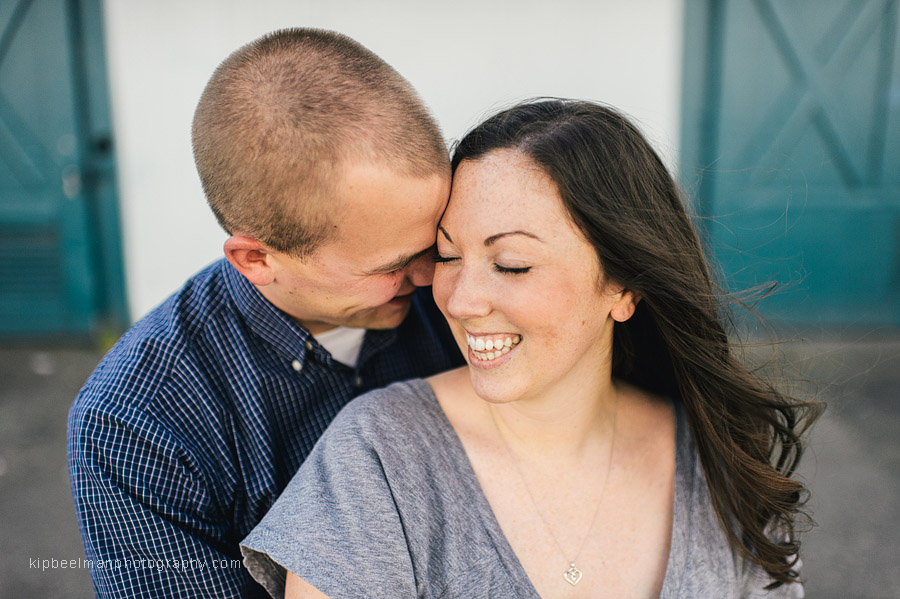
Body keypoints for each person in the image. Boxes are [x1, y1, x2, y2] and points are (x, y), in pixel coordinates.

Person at [241, 99, 821, 598]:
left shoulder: (717, 458)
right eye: (446, 256)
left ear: (623, 287)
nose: (461, 300)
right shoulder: (378, 460)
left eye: (512, 264)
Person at [67, 28, 462, 598]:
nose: (434, 278)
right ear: (256, 259)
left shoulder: (466, 297)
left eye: (439, 243)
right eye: (397, 263)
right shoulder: (137, 423)